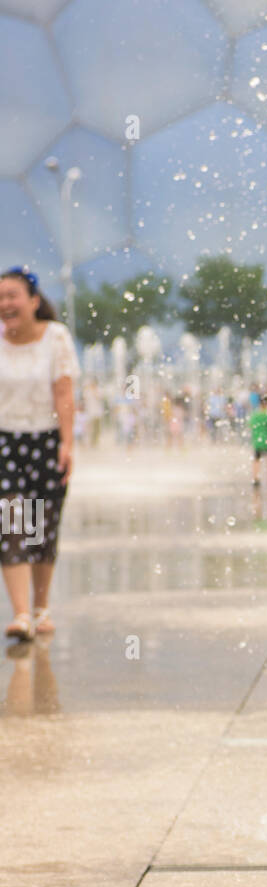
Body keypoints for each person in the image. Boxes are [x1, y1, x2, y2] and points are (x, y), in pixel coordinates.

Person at [0, 265, 79, 641]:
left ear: (33, 301)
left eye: (11, 295)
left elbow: (64, 394)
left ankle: (41, 607)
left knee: (41, 529)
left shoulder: (55, 337)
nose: (4, 304)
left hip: (46, 440)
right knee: (11, 523)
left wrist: (67, 443)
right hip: (6, 442)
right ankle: (20, 616)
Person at [249, 389, 267, 488]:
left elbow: (250, 426)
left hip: (257, 441)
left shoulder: (255, 415)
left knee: (256, 460)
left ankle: (256, 478)